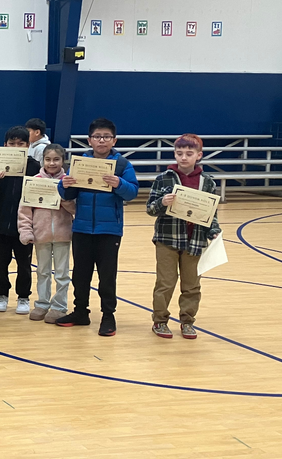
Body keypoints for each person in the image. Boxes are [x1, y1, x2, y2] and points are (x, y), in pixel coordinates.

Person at [56, 117, 139, 336]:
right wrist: (63, 185)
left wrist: (119, 184)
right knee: (80, 275)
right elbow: (68, 193)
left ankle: (108, 316)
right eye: (97, 136)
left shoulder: (122, 165)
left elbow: (132, 192)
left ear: (114, 140)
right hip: (82, 227)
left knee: (107, 276)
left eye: (106, 137)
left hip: (109, 230)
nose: (101, 140)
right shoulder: (80, 163)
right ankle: (80, 312)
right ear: (89, 140)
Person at [145, 134, 221, 340]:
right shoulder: (163, 179)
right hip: (167, 239)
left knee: (192, 285)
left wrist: (214, 231)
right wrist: (162, 203)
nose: (184, 158)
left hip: (195, 240)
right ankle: (160, 320)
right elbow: (150, 209)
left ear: (199, 155)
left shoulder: (208, 183)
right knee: (165, 283)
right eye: (179, 154)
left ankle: (187, 321)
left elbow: (211, 214)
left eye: (189, 154)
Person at [18, 143, 76, 323]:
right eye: (48, 159)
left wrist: (64, 199)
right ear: (42, 160)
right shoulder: (34, 180)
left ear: (63, 161)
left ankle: (59, 306)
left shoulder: (69, 181)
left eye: (56, 159)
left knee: (62, 273)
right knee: (42, 271)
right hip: (41, 235)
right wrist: (26, 231)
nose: (52, 163)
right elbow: (24, 210)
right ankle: (42, 304)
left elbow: (76, 208)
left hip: (63, 235)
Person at [0, 126, 41, 315]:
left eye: (21, 144)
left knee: (24, 264)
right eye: (12, 144)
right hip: (1, 224)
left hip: (25, 226)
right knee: (1, 263)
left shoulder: (34, 167)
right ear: (5, 145)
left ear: (28, 145)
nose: (16, 147)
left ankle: (24, 297)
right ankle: (2, 295)